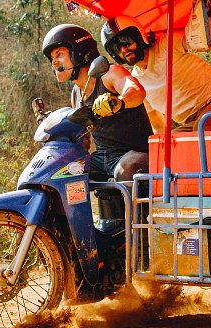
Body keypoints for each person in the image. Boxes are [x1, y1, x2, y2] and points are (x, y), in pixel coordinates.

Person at [42, 24, 153, 228]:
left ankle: (140, 241)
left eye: (59, 54)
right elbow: (83, 138)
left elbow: (136, 91)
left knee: (126, 169)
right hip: (104, 157)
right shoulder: (77, 94)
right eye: (51, 58)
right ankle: (76, 241)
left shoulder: (109, 73)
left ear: (78, 52)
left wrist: (118, 102)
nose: (53, 62)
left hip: (137, 153)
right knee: (61, 174)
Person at [101, 16, 211, 133]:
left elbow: (201, 41)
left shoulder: (167, 44)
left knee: (206, 128)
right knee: (173, 148)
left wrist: (203, 10)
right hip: (193, 122)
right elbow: (158, 124)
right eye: (116, 47)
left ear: (139, 36)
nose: (123, 49)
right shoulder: (137, 83)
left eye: (126, 41)